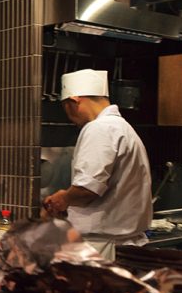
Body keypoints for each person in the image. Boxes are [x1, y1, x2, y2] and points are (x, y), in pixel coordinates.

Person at [42, 68, 152, 261]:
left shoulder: (99, 129)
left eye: (65, 108)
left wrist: (64, 198)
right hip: (119, 245)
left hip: (101, 248)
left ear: (75, 101)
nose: (69, 118)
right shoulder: (121, 127)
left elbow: (86, 191)